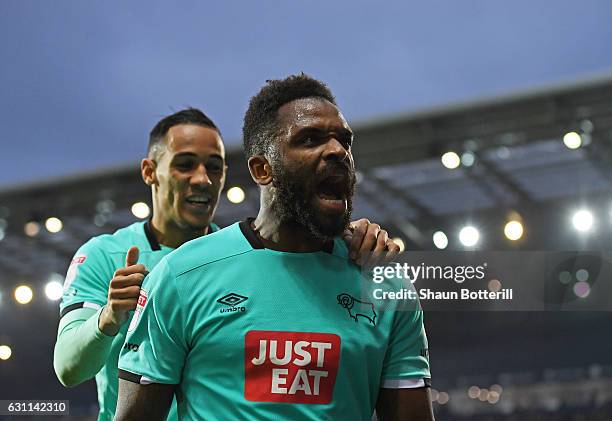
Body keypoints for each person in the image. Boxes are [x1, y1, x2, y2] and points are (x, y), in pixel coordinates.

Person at [116, 75, 433, 420]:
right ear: (262, 169)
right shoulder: (181, 276)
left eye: (344, 140)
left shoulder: (387, 287)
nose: (338, 151)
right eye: (310, 139)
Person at [53, 107, 402, 421]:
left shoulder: (240, 260)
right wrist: (109, 317)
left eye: (214, 168)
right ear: (150, 171)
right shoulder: (105, 256)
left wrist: (341, 235)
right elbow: (68, 368)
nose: (203, 179)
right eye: (185, 164)